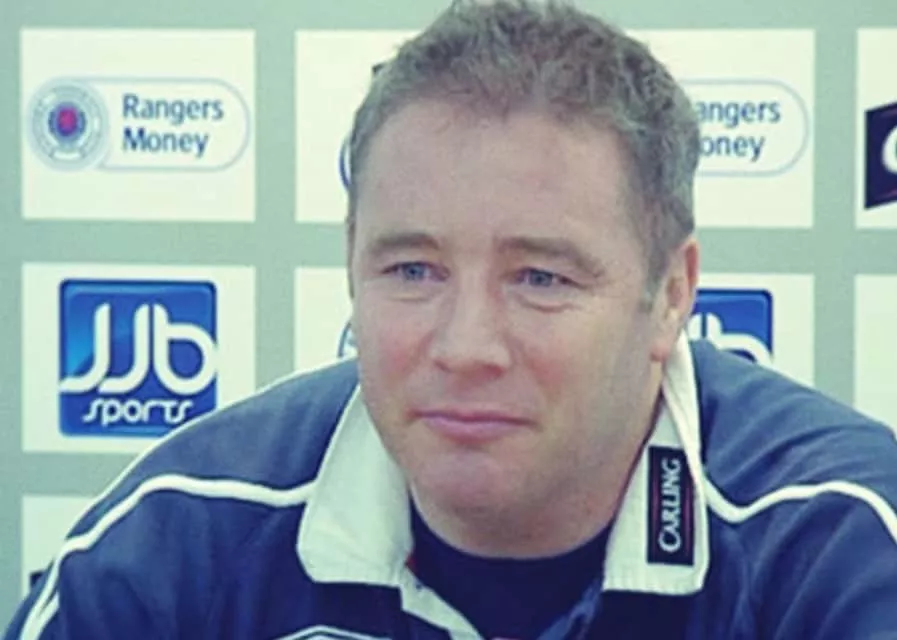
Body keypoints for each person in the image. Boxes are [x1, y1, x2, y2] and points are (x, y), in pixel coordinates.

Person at [7, 1, 897, 638]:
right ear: (352, 262)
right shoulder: (179, 535)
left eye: (540, 278)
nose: (466, 346)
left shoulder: (840, 544)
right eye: (413, 270)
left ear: (670, 294)